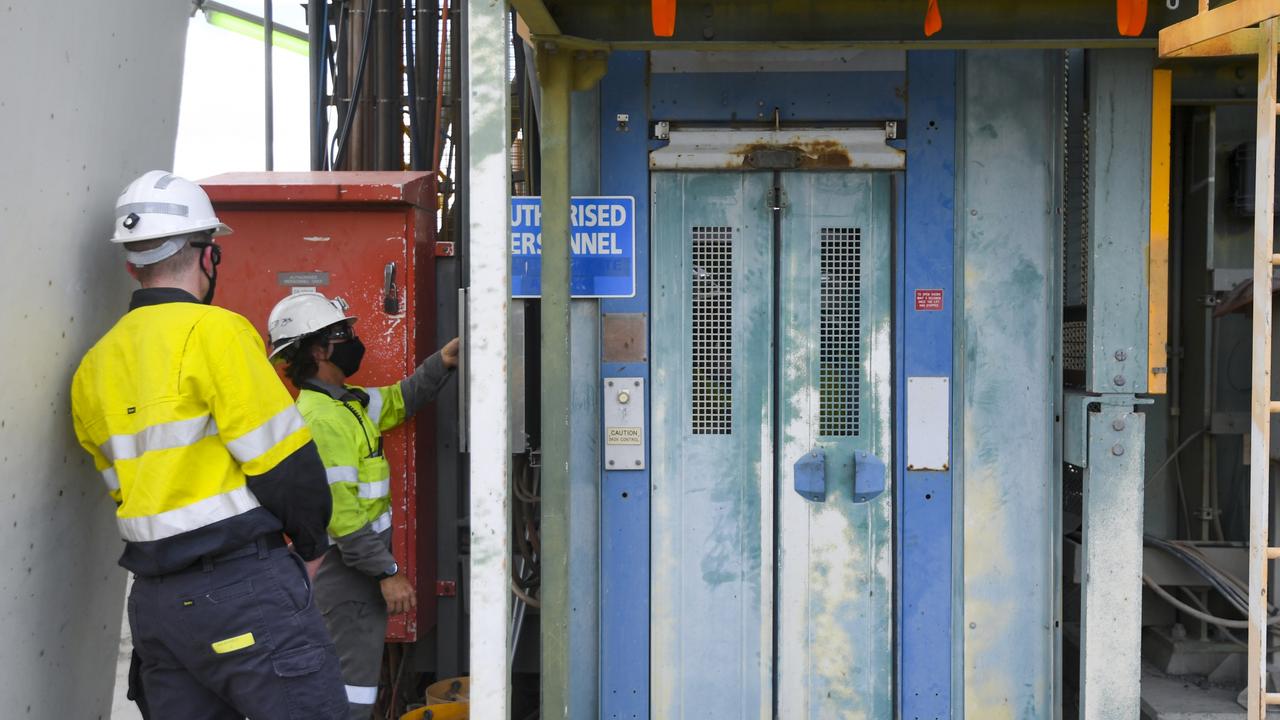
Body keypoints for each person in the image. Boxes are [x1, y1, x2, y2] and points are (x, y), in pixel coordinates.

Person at [70, 171, 348, 719]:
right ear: (207, 255)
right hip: (240, 587)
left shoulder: (92, 368)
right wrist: (312, 546)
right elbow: (285, 465)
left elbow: (123, 490)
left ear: (132, 264)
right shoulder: (216, 333)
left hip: (156, 606)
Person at [265, 291, 457, 718]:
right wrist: (386, 572)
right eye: (341, 333)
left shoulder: (347, 403)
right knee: (350, 694)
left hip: (356, 572)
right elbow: (341, 515)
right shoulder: (320, 419)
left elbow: (399, 399)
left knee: (356, 685)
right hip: (347, 572)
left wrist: (443, 360)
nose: (353, 338)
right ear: (317, 349)